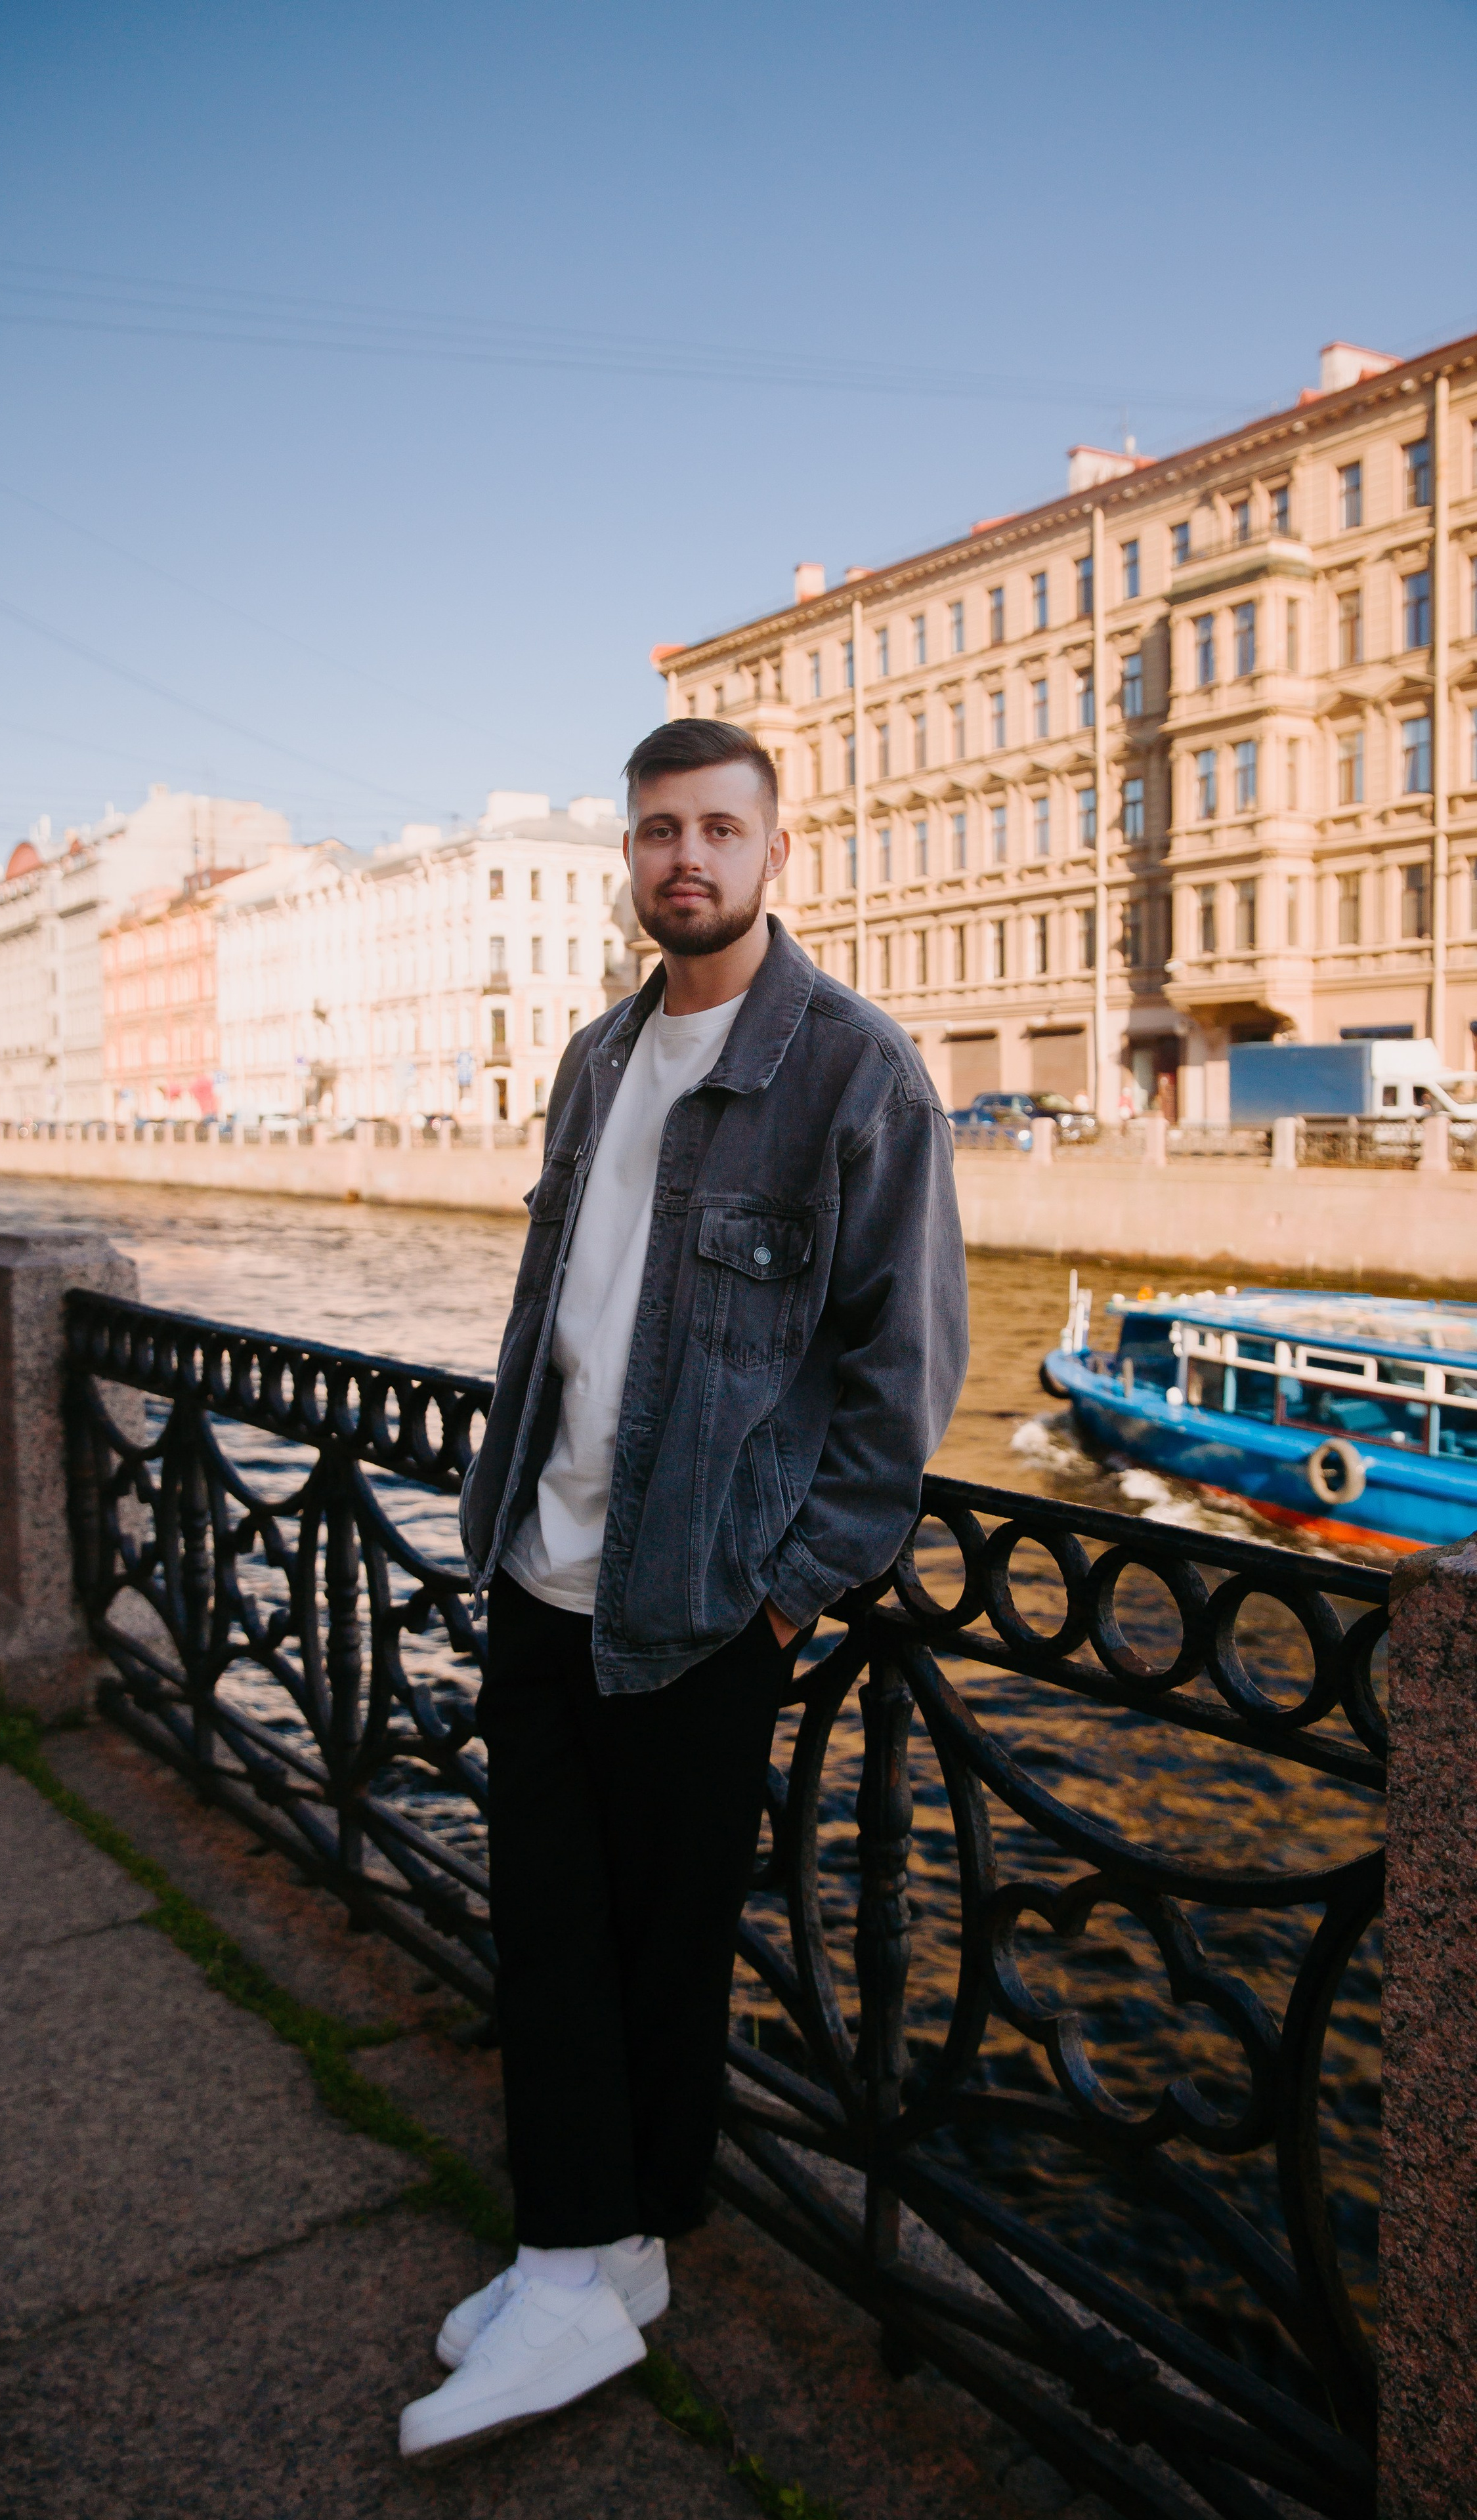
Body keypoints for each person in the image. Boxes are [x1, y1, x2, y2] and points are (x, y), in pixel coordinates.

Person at [398, 717, 968, 2463]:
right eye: (657, 832)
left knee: (659, 1954)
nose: (686, 861)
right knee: (553, 1930)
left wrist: (788, 1595)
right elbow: (553, 1315)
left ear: (775, 849)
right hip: (539, 1563)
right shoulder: (592, 1059)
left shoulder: (857, 1077)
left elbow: (904, 1383)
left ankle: (588, 2261)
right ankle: (601, 2254)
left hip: (700, 1602)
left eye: (719, 828)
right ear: (630, 858)